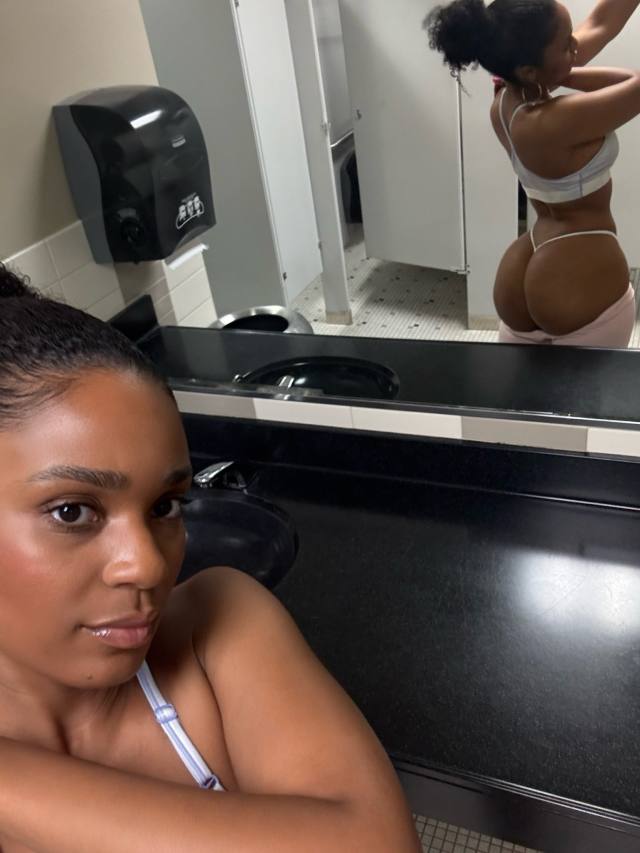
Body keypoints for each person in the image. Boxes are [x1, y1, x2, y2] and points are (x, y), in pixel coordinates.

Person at [0, 264, 420, 853]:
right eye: (72, 512)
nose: (148, 565)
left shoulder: (216, 622)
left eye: (165, 506)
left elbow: (376, 843)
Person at [426, 0, 640, 346]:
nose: (576, 44)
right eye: (567, 44)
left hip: (525, 265)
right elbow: (636, 84)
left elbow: (600, 23)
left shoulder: (506, 98)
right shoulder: (553, 120)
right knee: (592, 385)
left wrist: (559, 67)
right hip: (575, 267)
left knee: (519, 384)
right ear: (529, 70)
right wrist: (567, 74)